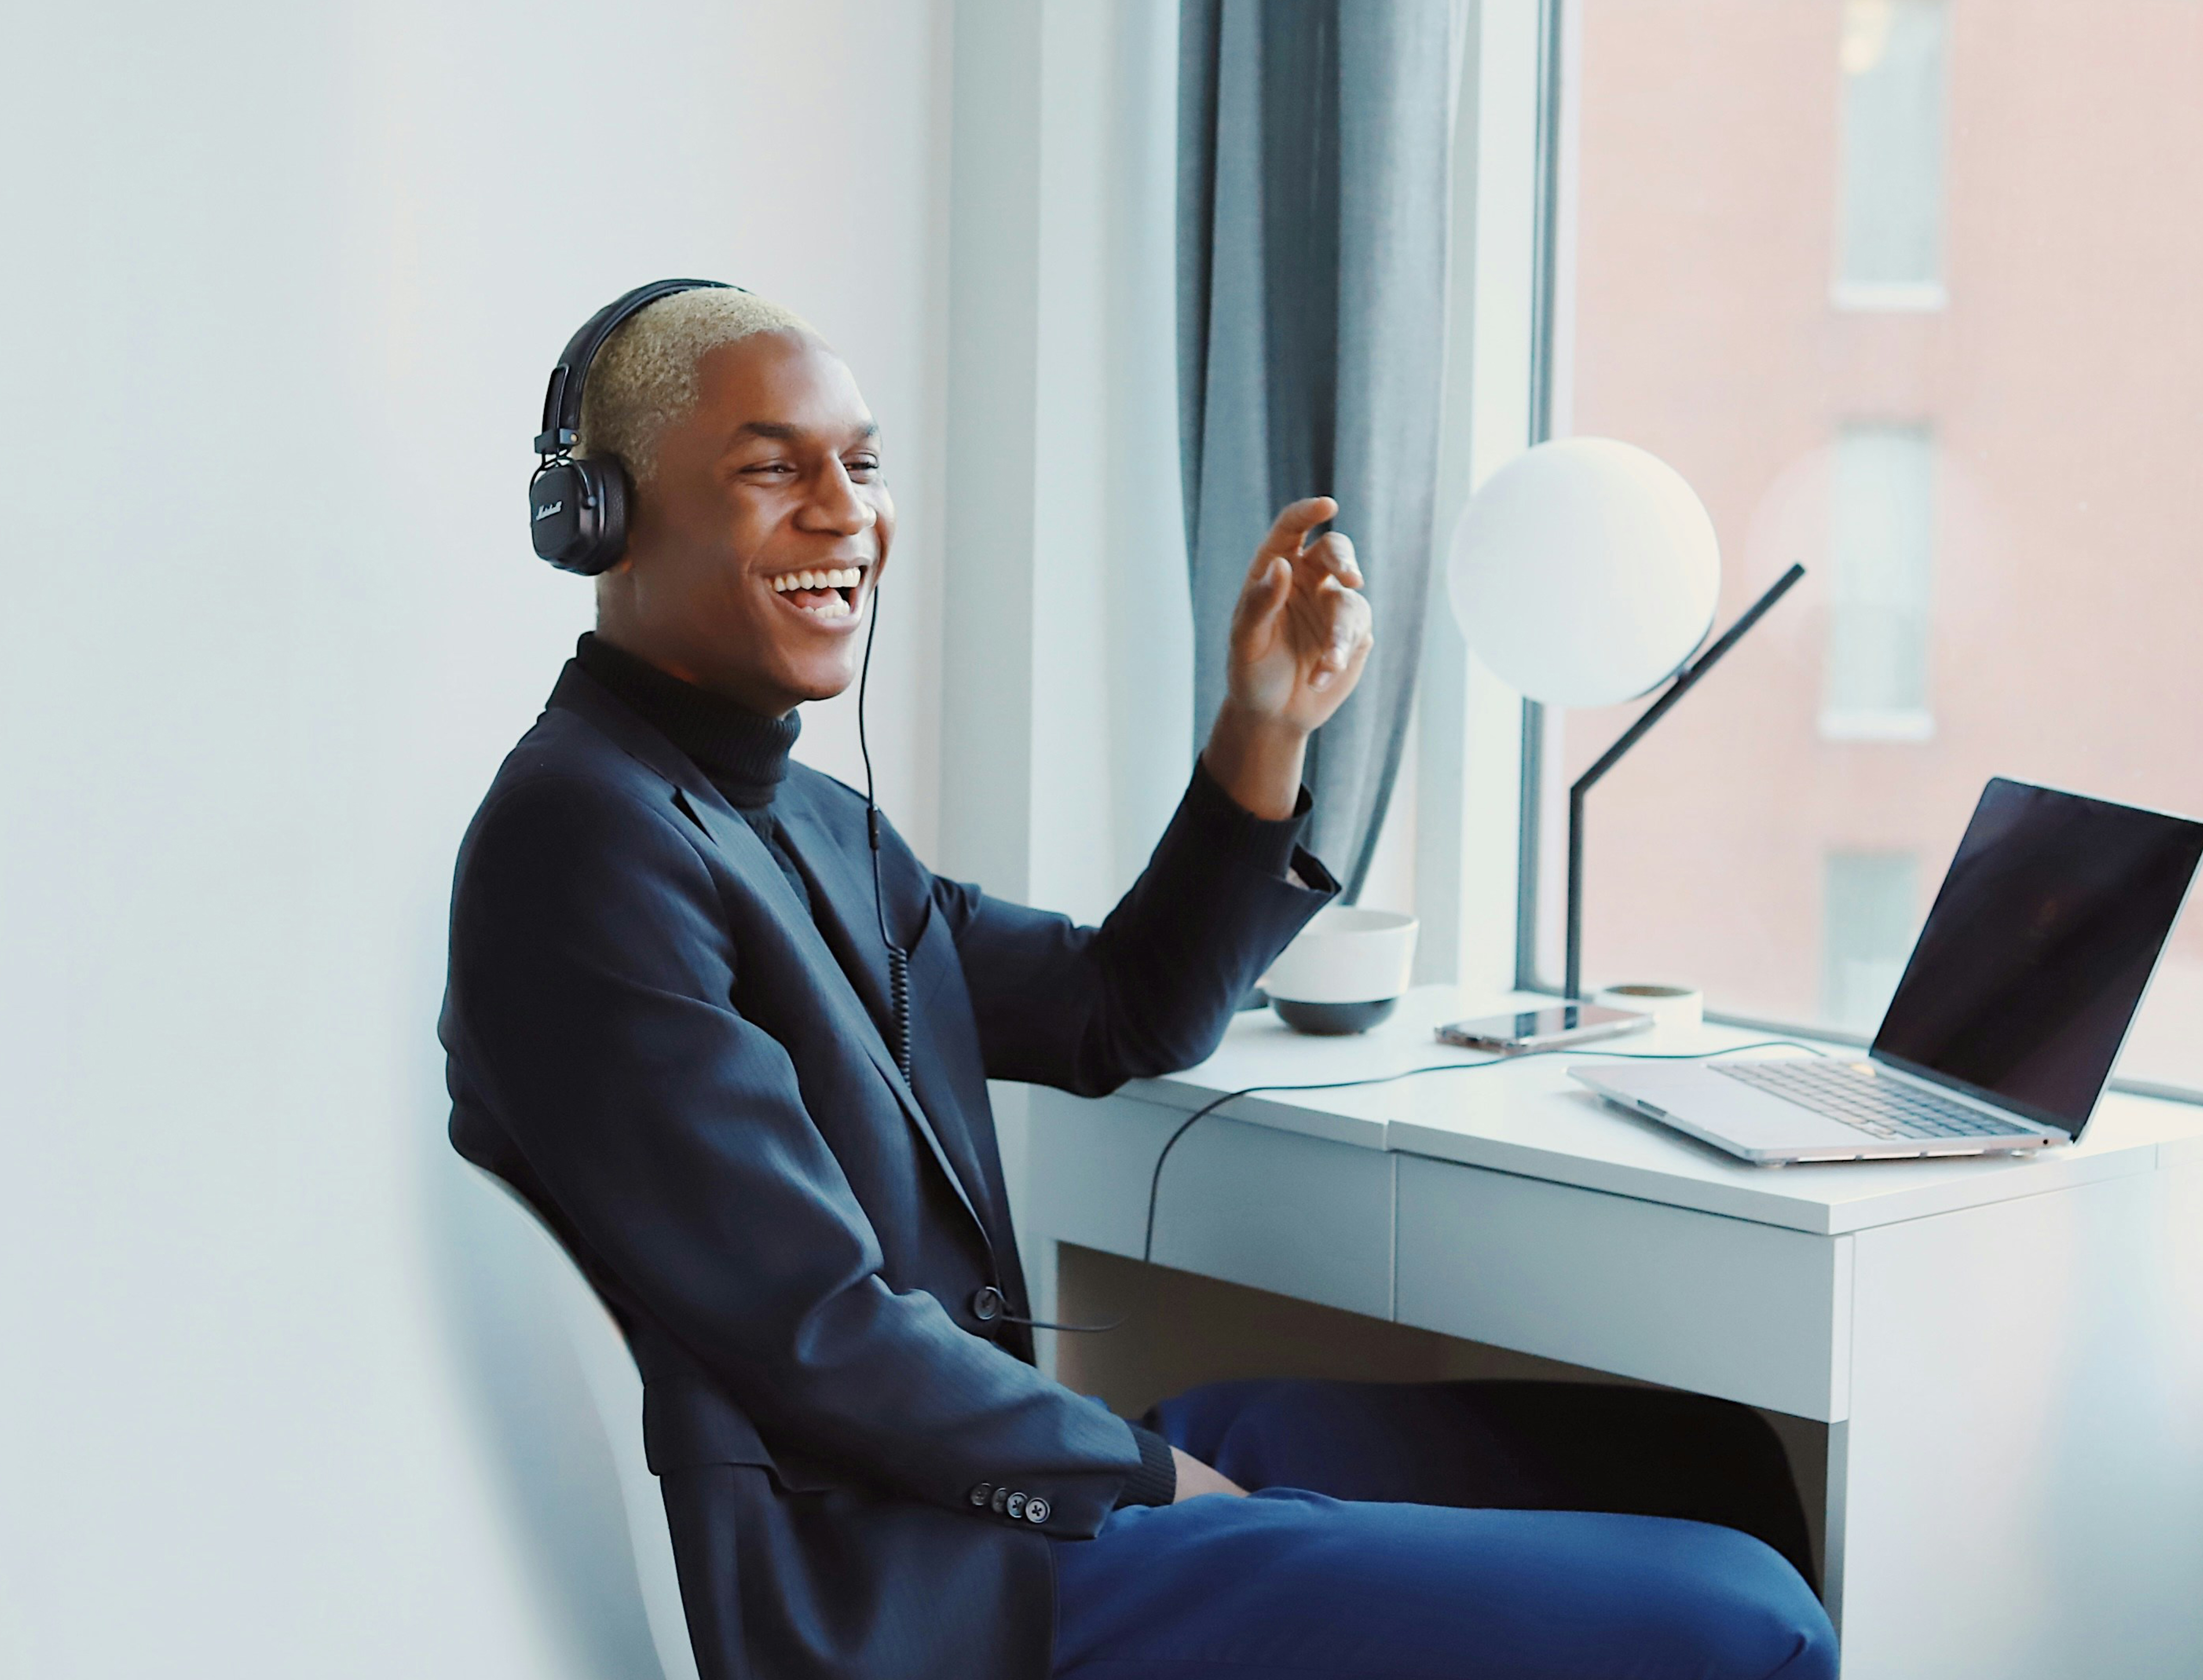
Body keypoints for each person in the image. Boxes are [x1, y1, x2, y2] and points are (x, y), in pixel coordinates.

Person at [439, 284, 1836, 1680]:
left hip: (962, 1473)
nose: (844, 512)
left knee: (1705, 1454)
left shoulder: (803, 818)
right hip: (908, 1576)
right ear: (600, 519)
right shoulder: (583, 841)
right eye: (769, 467)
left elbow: (1119, 1007)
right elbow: (824, 1334)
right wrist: (1158, 1481)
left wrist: (1263, 726)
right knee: (1746, 1616)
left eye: (859, 464)